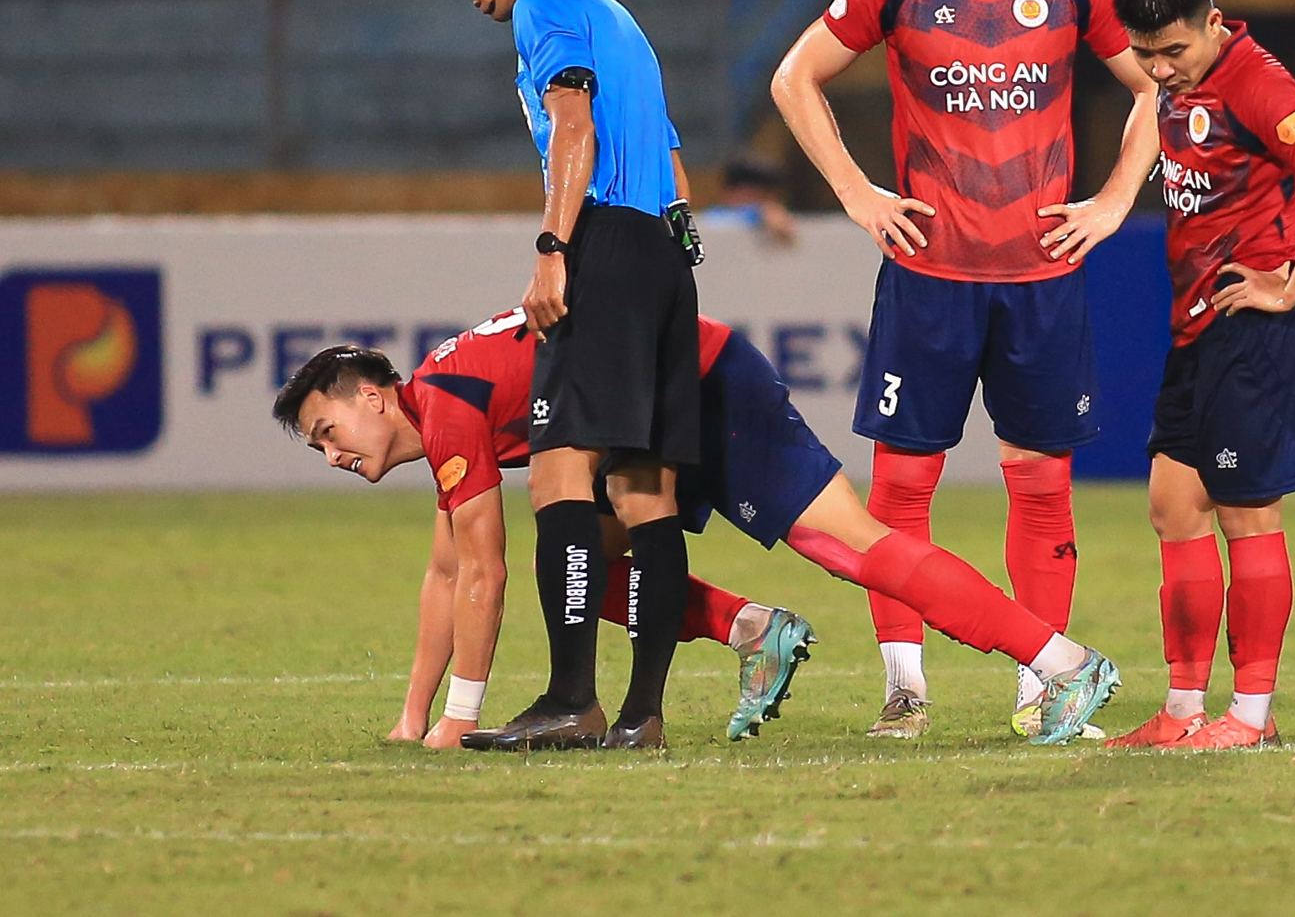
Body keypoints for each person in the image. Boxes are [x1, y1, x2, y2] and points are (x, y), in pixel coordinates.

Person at [273, 309, 1124, 748]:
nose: (331, 454)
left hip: (701, 386)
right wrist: (411, 718)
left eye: (328, 432)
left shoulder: (448, 403)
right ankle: (755, 629)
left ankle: (1064, 663)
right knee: (587, 570)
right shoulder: (444, 401)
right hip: (653, 405)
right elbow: (446, 574)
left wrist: (458, 719)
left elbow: (480, 576)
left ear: (371, 397)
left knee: (851, 546)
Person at [771, 0, 1157, 738]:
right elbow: (794, 78)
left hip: (1041, 278)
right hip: (929, 277)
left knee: (1041, 482)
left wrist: (1113, 202)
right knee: (902, 486)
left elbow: (1157, 84)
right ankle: (904, 694)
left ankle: (1045, 693)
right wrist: (859, 193)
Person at [450, 0, 704, 750]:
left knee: (559, 467)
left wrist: (556, 248)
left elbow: (573, 124)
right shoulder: (622, 17)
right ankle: (644, 715)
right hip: (667, 252)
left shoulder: (543, 7)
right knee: (643, 490)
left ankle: (570, 699)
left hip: (602, 243)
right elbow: (672, 163)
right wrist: (666, 268)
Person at [1096, 0, 1295, 752]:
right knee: (1174, 507)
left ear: (1213, 24)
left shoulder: (1258, 83)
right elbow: (1153, 115)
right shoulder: (1169, 83)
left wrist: (1289, 286)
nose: (1159, 70)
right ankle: (1183, 711)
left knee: (1247, 516)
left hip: (1255, 327)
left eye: (1174, 52)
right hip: (1196, 325)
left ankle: (1249, 717)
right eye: (1145, 55)